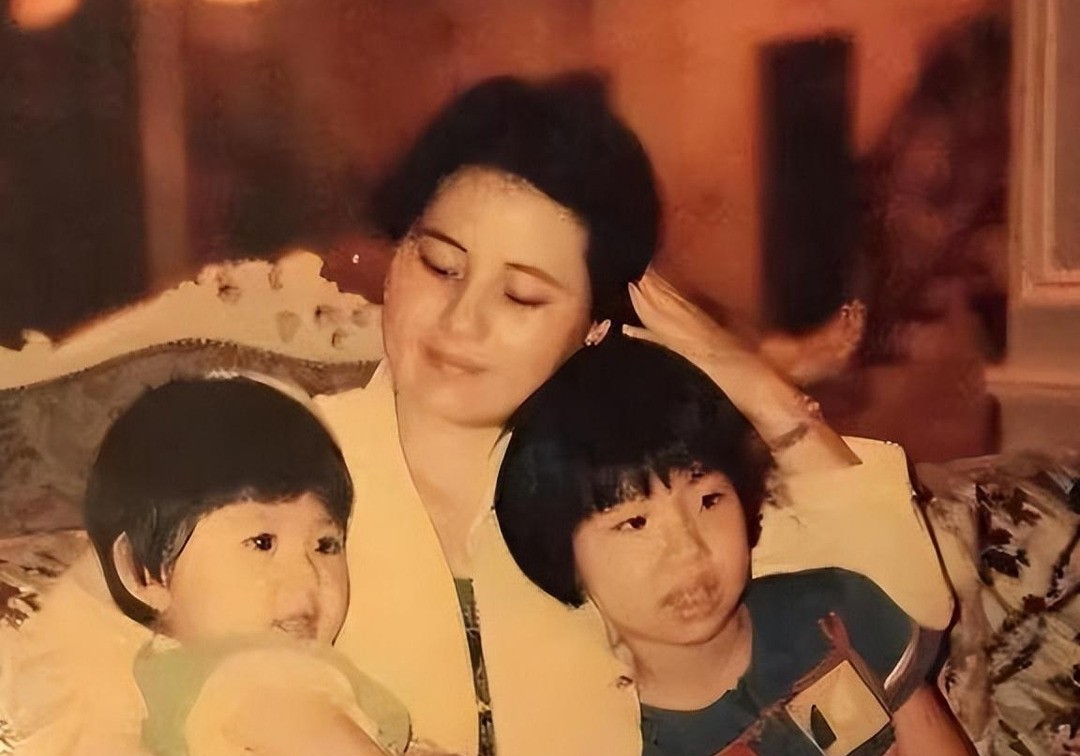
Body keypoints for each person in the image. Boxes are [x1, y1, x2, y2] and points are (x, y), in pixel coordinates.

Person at [2, 73, 953, 756]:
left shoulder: (613, 483)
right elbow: (61, 678)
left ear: (593, 327)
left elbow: (906, 605)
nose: (461, 322)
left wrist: (754, 384)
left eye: (523, 296)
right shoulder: (274, 460)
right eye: (440, 265)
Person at [495, 335, 974, 755]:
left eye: (709, 500)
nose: (687, 549)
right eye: (634, 522)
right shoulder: (604, 738)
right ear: (565, 556)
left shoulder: (837, 607)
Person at [82, 378, 411, 756]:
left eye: (325, 545)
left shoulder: (181, 677)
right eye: (262, 543)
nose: (306, 576)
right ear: (144, 570)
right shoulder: (261, 679)